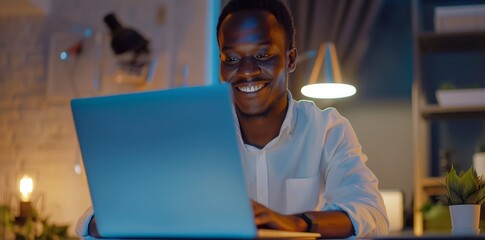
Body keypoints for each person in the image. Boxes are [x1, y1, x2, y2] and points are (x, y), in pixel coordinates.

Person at [77, 0, 389, 238]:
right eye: (232, 59)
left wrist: (295, 222)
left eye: (264, 55)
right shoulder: (190, 132)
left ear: (291, 59)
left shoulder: (327, 130)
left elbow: (370, 213)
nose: (248, 70)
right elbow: (92, 220)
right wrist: (150, 219)